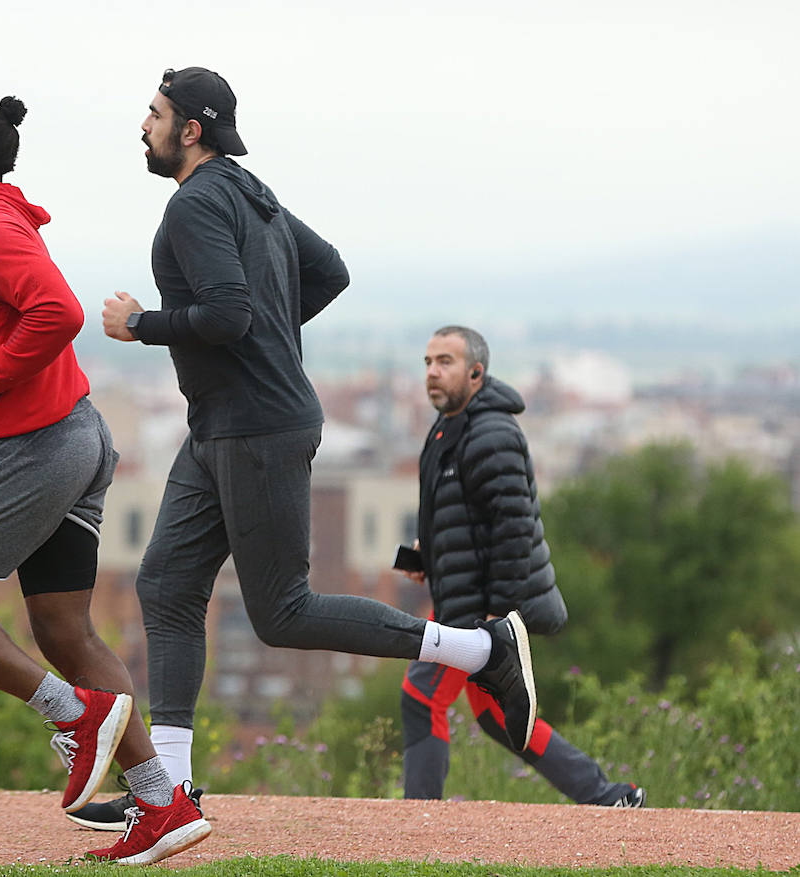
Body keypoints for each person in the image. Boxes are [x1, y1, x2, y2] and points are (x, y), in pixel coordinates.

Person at [77, 66, 539, 831]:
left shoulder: (196, 205)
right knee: (164, 584)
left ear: (191, 128)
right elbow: (329, 272)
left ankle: (480, 648)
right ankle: (169, 794)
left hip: (255, 427)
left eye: (155, 113)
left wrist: (142, 324)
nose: (144, 125)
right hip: (220, 424)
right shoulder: (251, 193)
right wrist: (273, 339)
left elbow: (226, 313)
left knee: (283, 610)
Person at [0, 95, 210, 865]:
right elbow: (4, 318)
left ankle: (72, 715)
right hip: (76, 436)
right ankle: (161, 802)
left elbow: (56, 312)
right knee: (64, 629)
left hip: (27, 447)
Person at [398, 325, 645, 807]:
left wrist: (498, 622)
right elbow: (468, 518)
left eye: (445, 362)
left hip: (478, 612)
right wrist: (428, 556)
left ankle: (417, 826)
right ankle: (605, 795)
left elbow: (513, 531)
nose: (432, 372)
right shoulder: (451, 425)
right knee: (496, 715)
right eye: (428, 362)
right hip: (464, 600)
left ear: (476, 372)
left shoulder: (492, 434)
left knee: (422, 698)